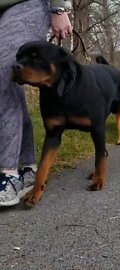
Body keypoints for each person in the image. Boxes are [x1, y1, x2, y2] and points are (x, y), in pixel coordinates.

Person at [0, 0, 72, 206]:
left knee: (5, 74)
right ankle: (26, 167)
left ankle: (8, 172)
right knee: (8, 83)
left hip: (24, 4)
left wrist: (58, 7)